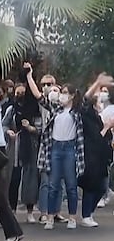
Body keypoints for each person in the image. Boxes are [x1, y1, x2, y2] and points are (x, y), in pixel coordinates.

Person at [25, 63, 84, 230]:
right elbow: (38, 96)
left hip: (70, 149)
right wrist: (29, 75)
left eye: (65, 93)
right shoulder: (55, 109)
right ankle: (50, 217)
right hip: (56, 149)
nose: (62, 96)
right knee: (53, 185)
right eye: (62, 93)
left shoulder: (77, 112)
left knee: (71, 186)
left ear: (72, 96)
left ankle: (72, 217)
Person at [2, 83, 42, 223]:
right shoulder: (11, 109)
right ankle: (11, 211)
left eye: (22, 92)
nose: (19, 95)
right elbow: (4, 124)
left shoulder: (34, 109)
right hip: (14, 147)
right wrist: (8, 131)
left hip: (30, 147)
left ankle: (30, 212)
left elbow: (40, 129)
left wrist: (30, 128)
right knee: (13, 179)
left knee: (30, 179)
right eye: (17, 92)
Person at [78, 74, 114, 227]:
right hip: (91, 155)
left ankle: (89, 213)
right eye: (98, 92)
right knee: (91, 185)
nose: (100, 95)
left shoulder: (98, 115)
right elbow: (96, 137)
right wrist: (106, 127)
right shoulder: (87, 113)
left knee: (101, 187)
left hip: (101, 157)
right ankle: (86, 215)